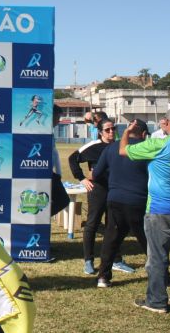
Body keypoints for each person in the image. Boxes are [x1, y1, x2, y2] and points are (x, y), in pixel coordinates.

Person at [120, 107, 170, 313]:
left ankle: (157, 301)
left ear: (166, 123)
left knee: (158, 258)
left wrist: (124, 133)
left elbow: (123, 151)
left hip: (160, 211)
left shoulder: (157, 144)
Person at [68, 118, 134, 275]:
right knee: (92, 223)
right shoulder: (93, 146)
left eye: (113, 128)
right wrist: (82, 178)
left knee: (114, 225)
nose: (111, 132)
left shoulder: (121, 145)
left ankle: (116, 260)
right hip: (98, 189)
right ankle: (88, 260)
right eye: (107, 130)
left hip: (116, 190)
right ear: (100, 132)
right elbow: (72, 159)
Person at [93, 119, 150, 288]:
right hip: (139, 200)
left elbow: (96, 173)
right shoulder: (146, 150)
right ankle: (160, 274)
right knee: (148, 241)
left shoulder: (111, 148)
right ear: (144, 135)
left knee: (111, 239)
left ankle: (103, 277)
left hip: (115, 199)